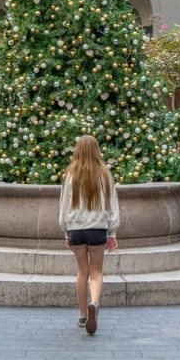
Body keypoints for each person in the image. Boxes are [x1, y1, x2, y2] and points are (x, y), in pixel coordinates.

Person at [59, 135, 119, 335]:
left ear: (77, 150)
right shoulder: (104, 174)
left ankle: (83, 314)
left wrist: (66, 231)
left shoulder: (70, 175)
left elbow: (64, 206)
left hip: (76, 228)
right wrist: (112, 232)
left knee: (82, 272)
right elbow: (112, 206)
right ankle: (95, 302)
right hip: (97, 228)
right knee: (96, 272)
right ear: (97, 150)